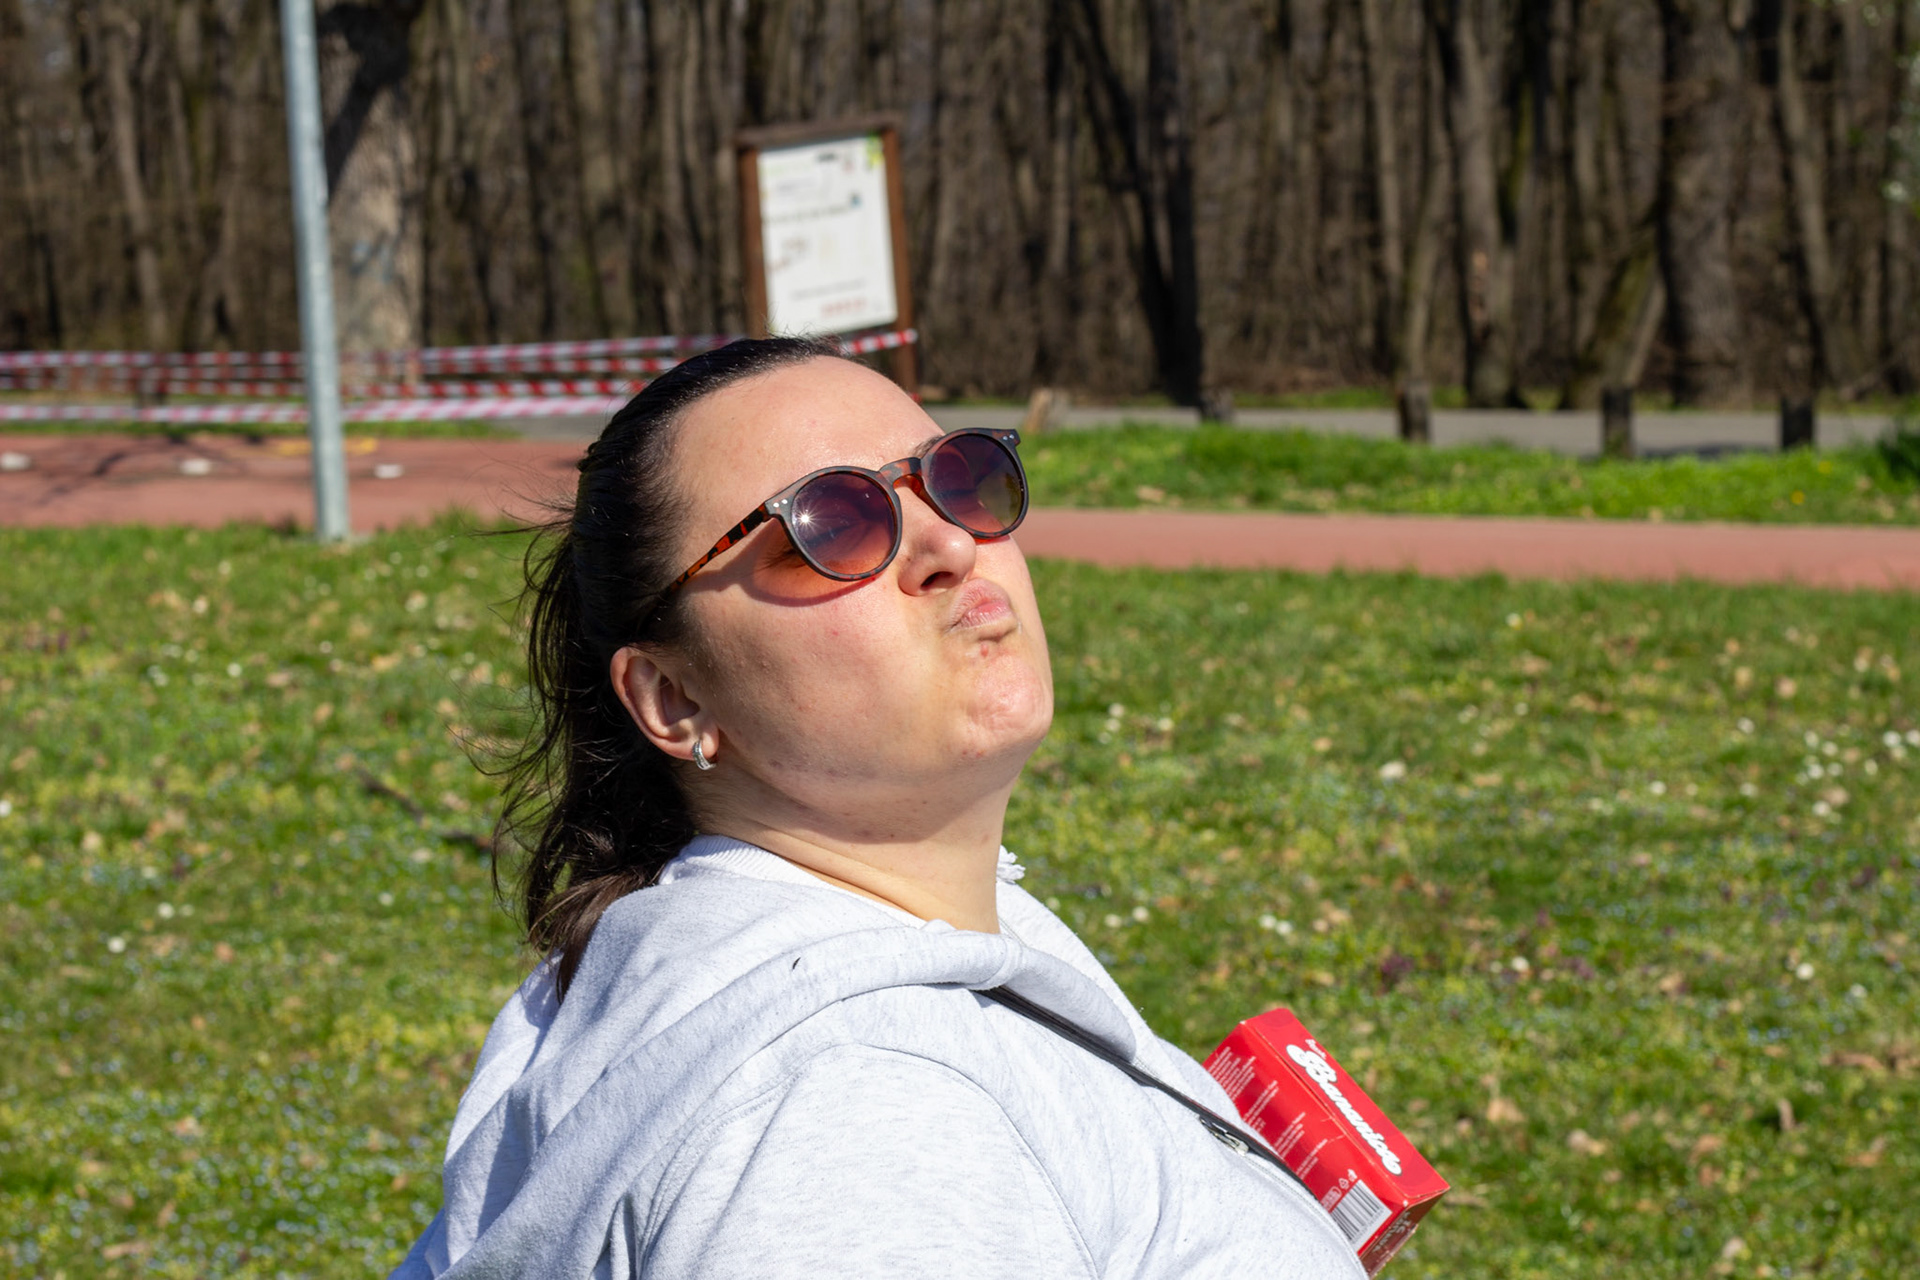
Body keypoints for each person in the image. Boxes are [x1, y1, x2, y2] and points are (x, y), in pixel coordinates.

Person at [390, 338, 1362, 1279]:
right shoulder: (856, 1106)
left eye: (959, 477)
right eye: (830, 524)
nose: (953, 545)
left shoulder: (711, 961)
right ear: (675, 697)